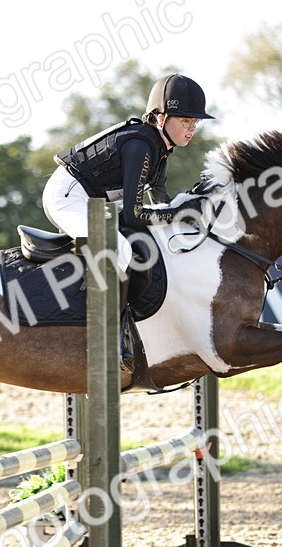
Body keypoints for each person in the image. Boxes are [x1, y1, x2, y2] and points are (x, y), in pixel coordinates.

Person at [42, 73, 215, 370]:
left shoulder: (160, 149)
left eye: (194, 123)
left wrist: (186, 210)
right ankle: (108, 339)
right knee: (119, 250)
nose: (191, 129)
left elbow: (161, 205)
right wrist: (180, 214)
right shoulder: (141, 146)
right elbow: (137, 215)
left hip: (95, 202)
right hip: (67, 197)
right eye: (185, 121)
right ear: (160, 118)